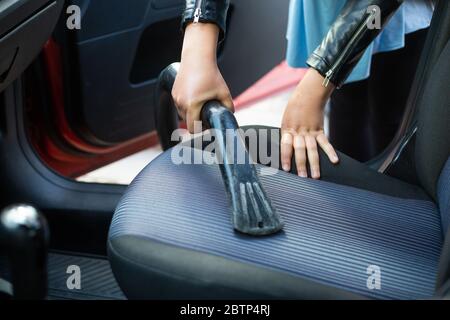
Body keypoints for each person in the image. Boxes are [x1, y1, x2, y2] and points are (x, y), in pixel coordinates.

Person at [172, 0, 429, 179]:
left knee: (392, 115)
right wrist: (198, 45)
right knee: (347, 109)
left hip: (397, 14)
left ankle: (387, 197)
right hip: (331, 9)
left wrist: (319, 81)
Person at [286, 0, 433, 162]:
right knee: (347, 113)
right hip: (334, 13)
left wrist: (320, 77)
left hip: (394, 15)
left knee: (392, 121)